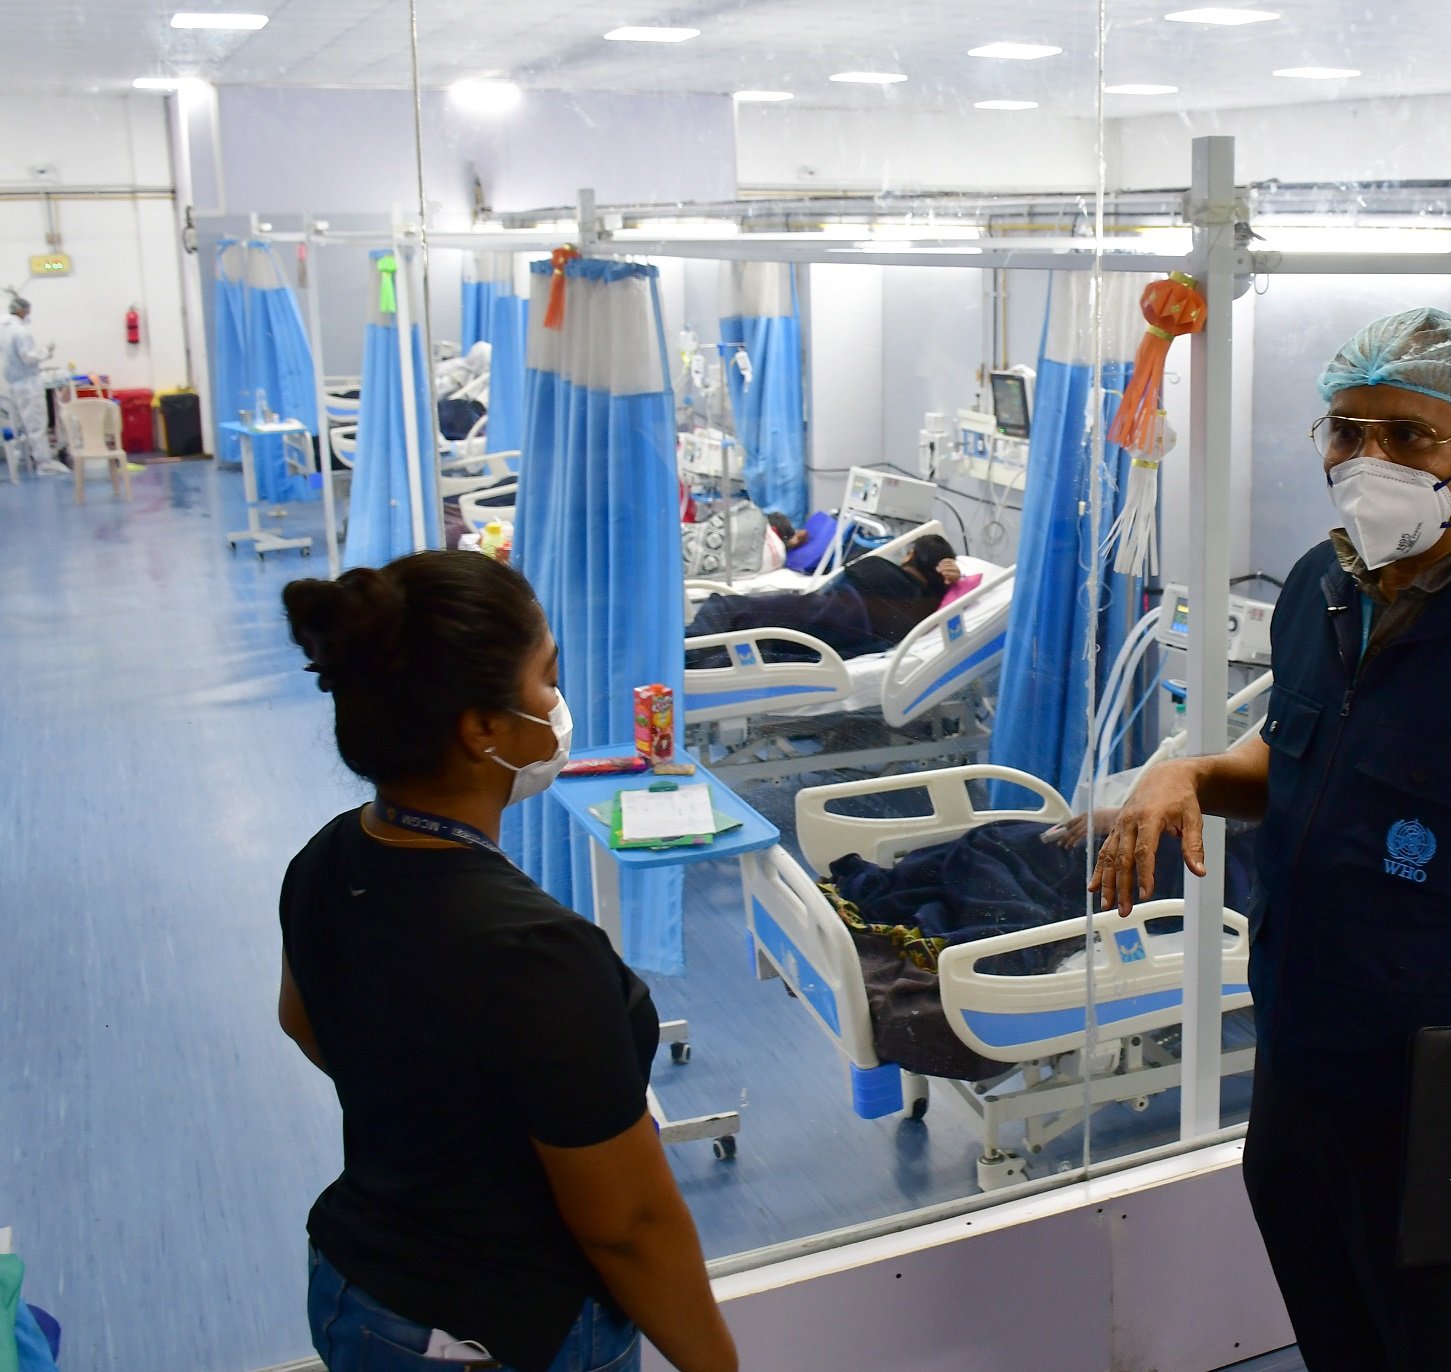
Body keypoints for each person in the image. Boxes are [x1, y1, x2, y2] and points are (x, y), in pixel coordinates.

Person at [1091, 307, 1451, 1372]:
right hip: (1300, 1069)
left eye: (1408, 434)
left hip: (1447, 1103)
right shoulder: (1320, 592)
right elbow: (1297, 760)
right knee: (1339, 1344)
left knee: (1438, 1353)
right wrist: (1188, 772)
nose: (1370, 460)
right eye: (1346, 431)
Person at [277, 551, 737, 1372]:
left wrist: (440, 1121)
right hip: (499, 1331)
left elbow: (304, 1022)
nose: (556, 705)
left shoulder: (327, 857)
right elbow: (626, 1226)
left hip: (357, 1288)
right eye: (545, 679)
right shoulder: (536, 955)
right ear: (481, 728)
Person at [686, 532, 961, 667]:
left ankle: (682, 660)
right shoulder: (924, 607)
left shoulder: (878, 568)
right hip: (838, 633)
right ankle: (690, 661)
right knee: (753, 642)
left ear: (910, 555)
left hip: (829, 614)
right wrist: (946, 585)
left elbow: (836, 585)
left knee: (726, 607)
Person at [2, 296, 62, 476]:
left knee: (21, 424)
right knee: (36, 424)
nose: (28, 315)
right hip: (28, 384)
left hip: (14, 383)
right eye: (27, 312)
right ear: (21, 311)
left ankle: (23, 457)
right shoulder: (20, 332)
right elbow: (28, 358)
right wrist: (45, 353)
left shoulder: (4, 330)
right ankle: (44, 463)